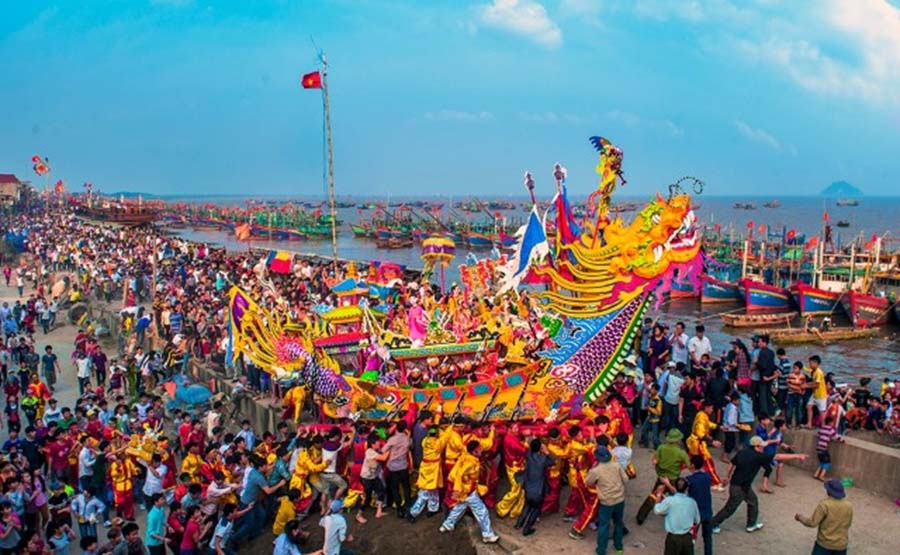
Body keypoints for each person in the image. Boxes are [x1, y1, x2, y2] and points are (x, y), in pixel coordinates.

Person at [711, 436, 806, 534]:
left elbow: (732, 463)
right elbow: (777, 457)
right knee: (730, 508)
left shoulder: (742, 452)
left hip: (740, 485)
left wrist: (727, 476)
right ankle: (712, 524)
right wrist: (797, 456)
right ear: (756, 446)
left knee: (753, 501)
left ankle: (751, 524)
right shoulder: (758, 457)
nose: (763, 447)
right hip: (740, 487)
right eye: (761, 446)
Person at [439, 440, 500, 544]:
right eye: (479, 448)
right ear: (474, 451)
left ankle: (447, 524)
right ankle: (488, 535)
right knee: (482, 512)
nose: (481, 450)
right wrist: (457, 490)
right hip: (468, 491)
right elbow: (459, 475)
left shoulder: (466, 457)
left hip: (466, 490)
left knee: (459, 507)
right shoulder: (470, 463)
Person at [636, 429, 689, 525]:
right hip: (673, 479)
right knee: (676, 497)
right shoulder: (681, 453)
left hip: (661, 477)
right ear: (677, 440)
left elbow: (654, 460)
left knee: (654, 495)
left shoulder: (661, 448)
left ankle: (641, 516)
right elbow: (688, 464)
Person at [585, 445, 628, 555]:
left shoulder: (596, 470)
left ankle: (601, 550)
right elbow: (626, 479)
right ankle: (619, 547)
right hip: (619, 499)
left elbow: (588, 482)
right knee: (618, 523)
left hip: (606, 502)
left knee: (604, 526)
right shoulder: (617, 465)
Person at [795, 479, 853, 555]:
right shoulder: (849, 505)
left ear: (828, 491)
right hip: (841, 544)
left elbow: (812, 523)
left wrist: (800, 518)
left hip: (824, 544)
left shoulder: (824, 505)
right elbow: (848, 523)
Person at [514, 438, 554, 537]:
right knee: (535, 510)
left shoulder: (529, 455)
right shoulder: (543, 459)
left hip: (528, 488)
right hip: (538, 492)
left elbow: (529, 447)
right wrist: (546, 452)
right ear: (540, 448)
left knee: (527, 506)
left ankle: (519, 523)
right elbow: (552, 462)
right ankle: (527, 529)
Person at [653, 477, 700, 555]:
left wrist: (659, 494)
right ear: (687, 488)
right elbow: (697, 520)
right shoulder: (692, 502)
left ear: (674, 487)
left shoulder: (669, 501)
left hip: (673, 538)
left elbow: (657, 510)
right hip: (687, 538)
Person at [685, 455, 713, 555]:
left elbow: (681, 491)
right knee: (708, 538)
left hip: (695, 513)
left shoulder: (689, 480)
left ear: (692, 465)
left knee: (691, 537)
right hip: (708, 511)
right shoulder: (707, 476)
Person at [814, 416, 843, 481]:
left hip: (819, 447)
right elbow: (837, 437)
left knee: (822, 462)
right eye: (832, 422)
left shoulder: (822, 428)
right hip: (824, 448)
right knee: (827, 463)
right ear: (830, 423)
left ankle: (816, 474)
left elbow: (818, 434)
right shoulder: (830, 429)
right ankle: (821, 476)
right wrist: (842, 440)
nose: (833, 424)